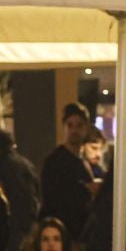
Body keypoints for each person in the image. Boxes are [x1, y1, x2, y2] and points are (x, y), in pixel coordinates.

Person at [41, 103, 97, 240]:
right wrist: (86, 189)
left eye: (79, 125)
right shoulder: (54, 162)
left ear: (86, 128)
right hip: (62, 236)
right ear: (64, 127)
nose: (74, 130)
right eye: (70, 125)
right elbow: (52, 198)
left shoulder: (84, 162)